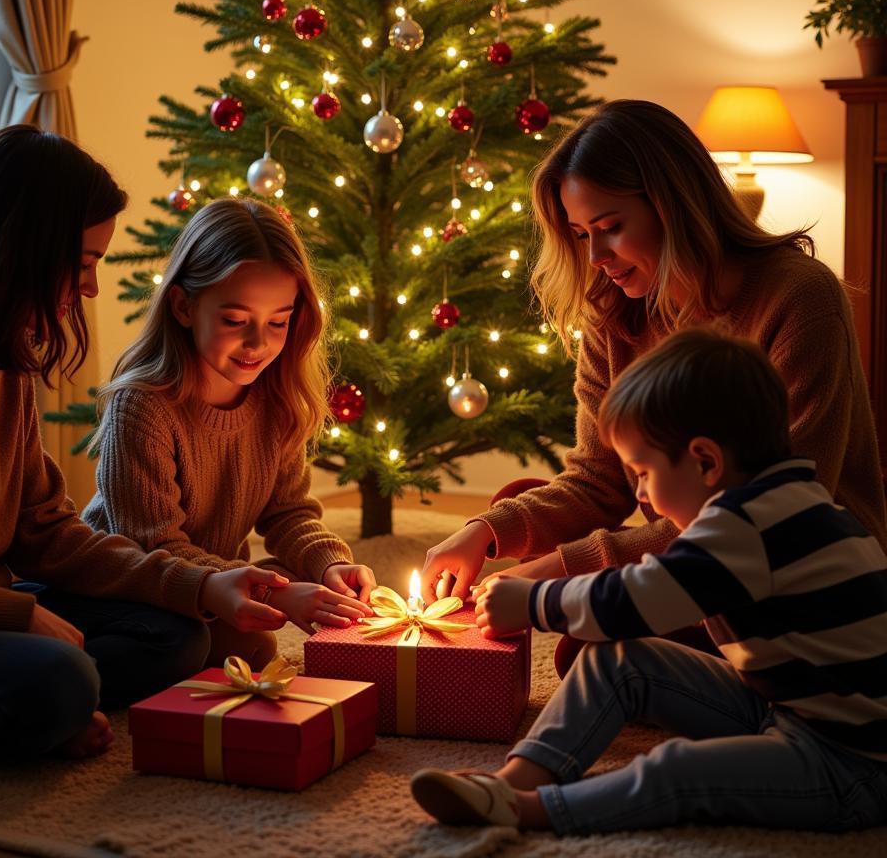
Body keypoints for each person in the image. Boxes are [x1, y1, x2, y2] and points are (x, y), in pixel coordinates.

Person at [0, 126, 288, 762]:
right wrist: (15, 617)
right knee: (61, 680)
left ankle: (31, 709)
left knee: (176, 636)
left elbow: (45, 531)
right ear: (20, 246)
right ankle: (41, 707)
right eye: (84, 264)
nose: (88, 291)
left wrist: (200, 588)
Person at [421, 99, 887, 672]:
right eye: (579, 234)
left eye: (611, 228)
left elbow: (775, 511)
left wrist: (558, 571)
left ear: (674, 205)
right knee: (511, 510)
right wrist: (486, 532)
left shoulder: (799, 298)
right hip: (690, 559)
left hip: (796, 582)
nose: (596, 258)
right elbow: (599, 481)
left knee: (587, 650)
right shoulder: (614, 313)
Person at [411, 328, 887, 834]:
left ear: (705, 461)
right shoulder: (788, 500)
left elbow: (636, 599)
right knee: (617, 658)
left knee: (679, 769)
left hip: (850, 763)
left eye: (642, 472)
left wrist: (534, 601)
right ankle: (515, 780)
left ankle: (530, 811)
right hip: (784, 706)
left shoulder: (748, 526)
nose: (641, 495)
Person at [83, 197, 376, 670]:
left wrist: (328, 565)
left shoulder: (274, 400)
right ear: (182, 306)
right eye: (235, 321)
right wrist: (273, 593)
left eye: (278, 322)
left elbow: (289, 513)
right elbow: (156, 548)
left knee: (257, 637)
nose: (259, 344)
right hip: (130, 584)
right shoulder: (143, 406)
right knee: (215, 642)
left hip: (208, 579)